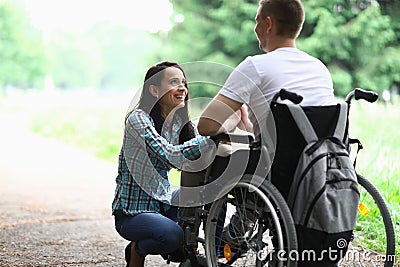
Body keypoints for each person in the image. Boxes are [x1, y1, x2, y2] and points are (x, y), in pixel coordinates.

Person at [111, 61, 209, 267]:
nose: (183, 87)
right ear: (154, 90)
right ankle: (137, 249)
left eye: (183, 82)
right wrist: (210, 140)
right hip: (133, 213)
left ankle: (203, 250)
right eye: (174, 82)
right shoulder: (138, 119)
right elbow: (169, 154)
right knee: (173, 236)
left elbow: (194, 155)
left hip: (163, 202)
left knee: (206, 191)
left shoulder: (178, 123)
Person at [197, 0, 335, 138]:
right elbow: (300, 141)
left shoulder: (255, 66)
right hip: (321, 158)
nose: (255, 28)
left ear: (269, 24)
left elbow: (206, 126)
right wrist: (251, 127)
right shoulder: (320, 68)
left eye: (257, 22)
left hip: (276, 160)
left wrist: (231, 121)